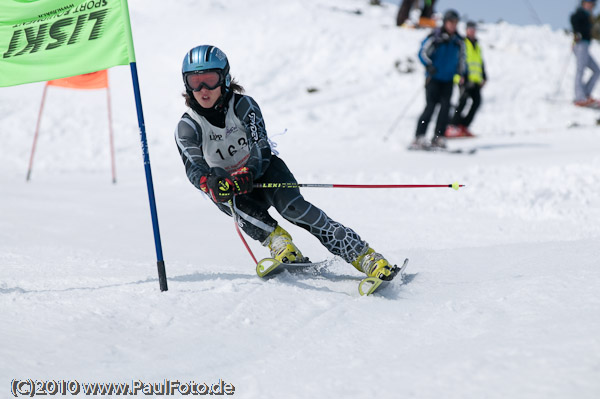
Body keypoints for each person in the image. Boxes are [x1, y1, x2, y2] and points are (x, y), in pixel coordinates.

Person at [174, 45, 396, 281]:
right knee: (222, 192)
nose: (203, 89)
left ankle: (365, 257)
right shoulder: (188, 126)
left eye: (210, 79)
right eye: (195, 82)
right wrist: (209, 182)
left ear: (225, 79)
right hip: (232, 186)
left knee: (296, 210)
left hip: (265, 172)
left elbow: (260, 147)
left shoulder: (242, 106)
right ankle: (279, 243)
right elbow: (193, 167)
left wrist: (248, 172)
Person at [410, 9, 465, 149]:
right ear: (445, 22)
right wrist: (429, 66)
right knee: (430, 107)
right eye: (450, 22)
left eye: (455, 23)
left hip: (448, 80)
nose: (453, 25)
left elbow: (461, 60)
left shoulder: (458, 41)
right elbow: (422, 52)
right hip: (433, 78)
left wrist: (461, 75)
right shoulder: (435, 37)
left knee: (445, 110)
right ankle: (419, 136)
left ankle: (438, 137)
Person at [446, 21, 487, 138]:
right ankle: (452, 126)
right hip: (465, 79)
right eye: (470, 29)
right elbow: (459, 60)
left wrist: (484, 76)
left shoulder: (477, 45)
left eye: (473, 29)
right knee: (462, 103)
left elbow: (480, 62)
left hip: (476, 80)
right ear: (466, 30)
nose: (472, 31)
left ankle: (463, 126)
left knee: (477, 102)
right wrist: (460, 75)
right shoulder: (463, 43)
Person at [571, 0, 600, 107]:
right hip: (580, 46)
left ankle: (586, 94)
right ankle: (580, 97)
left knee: (597, 70)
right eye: (588, 3)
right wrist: (577, 33)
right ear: (583, 3)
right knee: (580, 70)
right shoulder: (580, 14)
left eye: (592, 4)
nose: (590, 5)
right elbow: (574, 20)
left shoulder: (588, 16)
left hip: (586, 46)